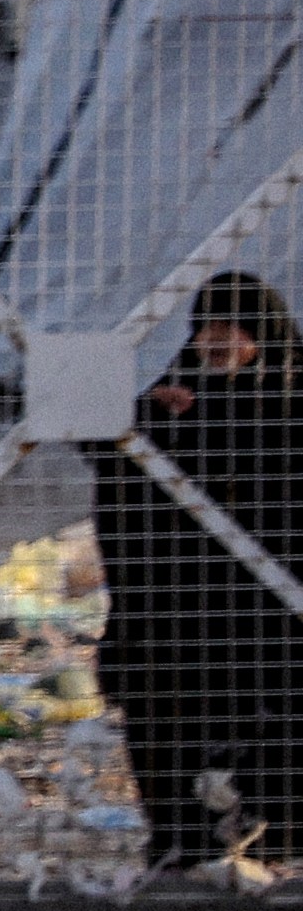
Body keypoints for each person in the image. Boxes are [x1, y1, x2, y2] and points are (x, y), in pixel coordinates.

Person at [93, 274, 303, 871]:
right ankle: (184, 836)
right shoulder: (173, 399)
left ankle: (273, 827)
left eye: (234, 328)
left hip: (273, 612)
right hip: (185, 607)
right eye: (208, 326)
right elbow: (107, 467)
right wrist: (140, 420)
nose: (218, 341)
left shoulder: (289, 401)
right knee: (171, 707)